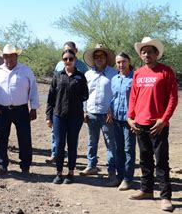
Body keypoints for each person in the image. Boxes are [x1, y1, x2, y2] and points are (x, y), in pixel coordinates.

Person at [127, 37, 178, 212]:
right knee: (144, 159)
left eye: (150, 51)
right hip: (140, 123)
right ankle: (147, 190)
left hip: (158, 124)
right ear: (140, 55)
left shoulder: (166, 72)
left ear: (157, 53)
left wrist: (164, 119)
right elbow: (133, 97)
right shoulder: (138, 73)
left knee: (161, 161)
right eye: (143, 52)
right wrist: (130, 117)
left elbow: (173, 98)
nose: (146, 54)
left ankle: (165, 196)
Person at [0, 44, 39, 175]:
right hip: (1, 110)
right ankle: (2, 165)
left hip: (21, 110)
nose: (9, 59)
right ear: (2, 57)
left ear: (16, 56)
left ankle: (25, 166)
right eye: (6, 56)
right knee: (0, 138)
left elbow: (33, 90)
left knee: (24, 138)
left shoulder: (26, 71)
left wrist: (33, 108)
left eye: (11, 56)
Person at [46, 48, 88, 184]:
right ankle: (59, 173)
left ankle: (70, 172)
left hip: (75, 117)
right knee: (59, 145)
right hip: (59, 116)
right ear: (62, 61)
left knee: (72, 144)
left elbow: (85, 95)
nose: (68, 61)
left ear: (75, 60)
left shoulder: (80, 76)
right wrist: (48, 116)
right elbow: (50, 98)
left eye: (71, 58)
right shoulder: (57, 76)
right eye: (65, 59)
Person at [79, 44, 118, 187]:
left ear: (106, 58)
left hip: (107, 115)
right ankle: (92, 165)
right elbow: (84, 95)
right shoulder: (88, 75)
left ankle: (112, 171)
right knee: (91, 141)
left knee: (110, 144)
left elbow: (117, 94)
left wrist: (111, 110)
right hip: (91, 113)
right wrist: (84, 111)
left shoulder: (114, 74)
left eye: (101, 56)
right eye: (96, 57)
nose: (99, 59)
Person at [110, 52, 135, 191]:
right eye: (118, 62)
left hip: (129, 119)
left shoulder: (135, 78)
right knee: (118, 148)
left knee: (129, 149)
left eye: (123, 61)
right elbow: (113, 97)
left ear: (129, 61)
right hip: (116, 118)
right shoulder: (115, 78)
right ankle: (119, 176)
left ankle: (128, 179)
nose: (121, 64)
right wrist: (109, 110)